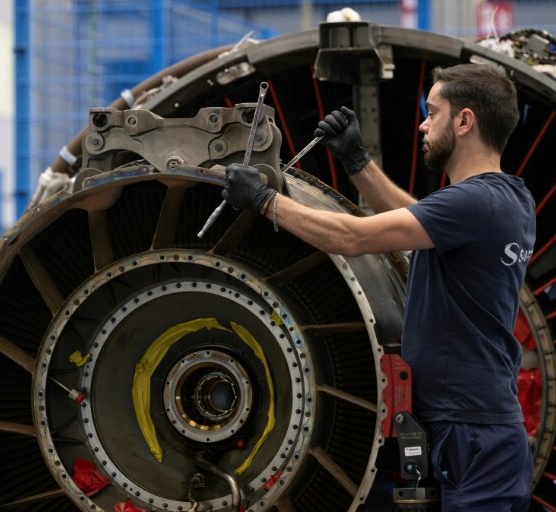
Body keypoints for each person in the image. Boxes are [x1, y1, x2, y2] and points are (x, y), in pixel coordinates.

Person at [223, 63, 535, 511]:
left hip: (472, 435)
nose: (424, 124)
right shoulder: (508, 197)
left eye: (434, 111)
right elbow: (426, 219)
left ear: (465, 121)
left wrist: (265, 201)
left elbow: (351, 238)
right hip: (474, 425)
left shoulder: (473, 202)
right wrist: (356, 161)